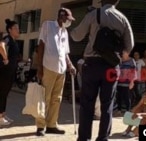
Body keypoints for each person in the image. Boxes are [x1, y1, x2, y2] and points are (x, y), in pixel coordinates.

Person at [70, 0, 134, 140]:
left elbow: (77, 36)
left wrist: (70, 28)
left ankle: (84, 138)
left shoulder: (93, 14)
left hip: (92, 64)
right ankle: (103, 138)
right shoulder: (122, 18)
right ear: (116, 1)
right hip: (111, 67)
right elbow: (129, 45)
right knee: (107, 104)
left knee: (87, 103)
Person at [36, 8, 76, 136]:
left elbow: (65, 53)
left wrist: (70, 65)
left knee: (57, 99)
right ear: (62, 17)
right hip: (48, 67)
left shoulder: (65, 32)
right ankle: (40, 126)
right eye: (68, 19)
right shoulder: (47, 25)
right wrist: (39, 68)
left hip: (61, 69)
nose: (69, 22)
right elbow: (41, 47)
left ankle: (52, 125)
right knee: (45, 98)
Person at [0, 19, 20, 126]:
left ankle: (3, 114)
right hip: (5, 72)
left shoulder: (14, 41)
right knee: (2, 93)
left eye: (18, 28)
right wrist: (6, 58)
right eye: (15, 28)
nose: (18, 30)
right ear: (9, 30)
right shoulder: (7, 38)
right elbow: (1, 46)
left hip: (11, 72)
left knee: (5, 93)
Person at [114, 50, 137, 116]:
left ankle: (128, 110)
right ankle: (119, 110)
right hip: (119, 82)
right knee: (119, 97)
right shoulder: (120, 60)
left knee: (127, 97)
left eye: (124, 52)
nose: (122, 54)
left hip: (127, 82)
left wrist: (132, 81)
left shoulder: (131, 60)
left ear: (128, 53)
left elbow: (134, 71)